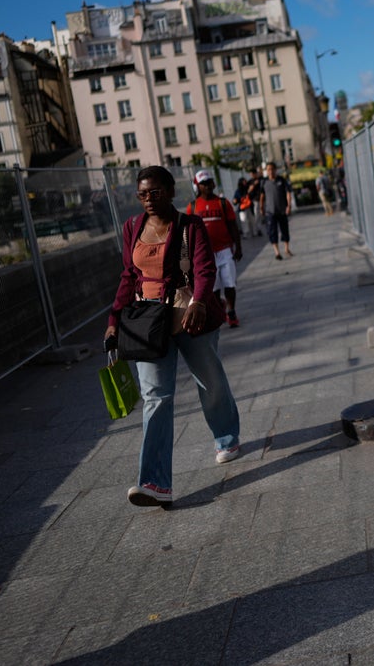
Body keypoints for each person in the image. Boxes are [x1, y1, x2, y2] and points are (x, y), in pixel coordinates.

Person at [103, 166, 242, 507]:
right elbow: (128, 276)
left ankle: (226, 438)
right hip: (148, 322)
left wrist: (198, 301)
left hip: (190, 317)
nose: (149, 199)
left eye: (155, 192)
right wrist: (113, 320)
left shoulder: (189, 226)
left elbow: (204, 268)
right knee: (156, 398)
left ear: (170, 191)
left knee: (210, 381)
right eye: (142, 194)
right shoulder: (132, 227)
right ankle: (154, 482)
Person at [187, 169, 243, 328]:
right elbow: (190, 234)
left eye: (209, 182)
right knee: (214, 288)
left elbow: (233, 227)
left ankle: (231, 312)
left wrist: (238, 247)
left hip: (225, 250)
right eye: (203, 184)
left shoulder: (223, 203)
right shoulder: (192, 207)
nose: (208, 186)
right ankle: (220, 310)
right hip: (205, 255)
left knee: (230, 283)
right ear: (197, 186)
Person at [258, 161, 293, 260]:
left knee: (284, 230)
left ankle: (286, 248)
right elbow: (262, 196)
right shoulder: (264, 182)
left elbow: (288, 193)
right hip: (270, 211)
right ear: (266, 171)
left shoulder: (281, 180)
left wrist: (288, 206)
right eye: (268, 169)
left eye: (272, 169)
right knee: (272, 231)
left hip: (282, 210)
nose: (270, 171)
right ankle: (277, 252)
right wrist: (261, 207)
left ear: (275, 170)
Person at [244, 168, 265, 236]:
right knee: (257, 215)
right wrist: (253, 186)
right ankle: (258, 229)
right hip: (255, 200)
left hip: (264, 199)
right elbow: (247, 191)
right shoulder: (250, 182)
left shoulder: (261, 179)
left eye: (253, 174)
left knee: (264, 214)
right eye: (251, 174)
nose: (252, 175)